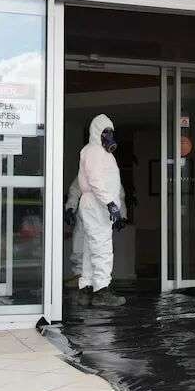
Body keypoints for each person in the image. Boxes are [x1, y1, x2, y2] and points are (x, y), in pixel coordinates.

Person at [76, 114, 126, 307]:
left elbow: (110, 183)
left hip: (98, 205)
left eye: (111, 132)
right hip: (97, 205)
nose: (108, 135)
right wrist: (110, 204)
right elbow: (96, 181)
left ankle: (86, 288)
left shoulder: (101, 153)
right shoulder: (94, 151)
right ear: (96, 132)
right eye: (105, 132)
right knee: (102, 247)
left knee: (91, 247)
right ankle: (102, 290)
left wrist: (116, 207)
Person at [64, 177, 128, 305]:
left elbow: (119, 194)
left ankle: (95, 289)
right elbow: (75, 190)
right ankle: (88, 288)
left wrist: (121, 215)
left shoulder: (107, 172)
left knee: (98, 251)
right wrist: (70, 207)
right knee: (85, 247)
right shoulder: (89, 171)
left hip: (102, 215)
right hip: (90, 214)